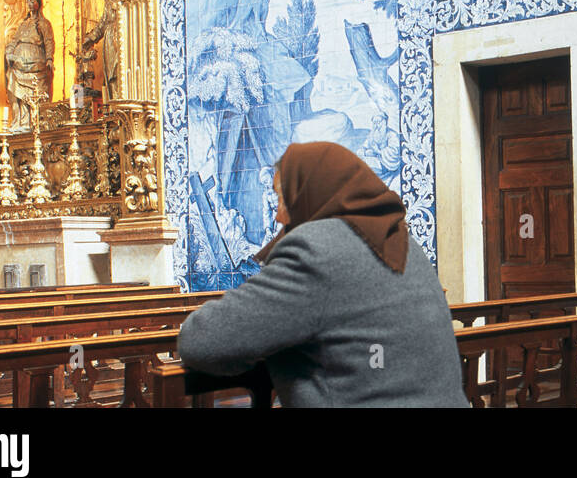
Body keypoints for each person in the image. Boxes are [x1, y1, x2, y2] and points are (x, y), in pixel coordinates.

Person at [177, 141, 469, 407]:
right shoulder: (400, 241)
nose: (278, 215)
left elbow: (202, 341)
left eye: (281, 197)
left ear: (311, 193)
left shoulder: (315, 250)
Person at [3, 0, 54, 130]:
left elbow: (49, 41)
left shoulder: (43, 23)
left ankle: (33, 121)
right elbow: (14, 40)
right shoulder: (23, 24)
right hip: (19, 62)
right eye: (28, 1)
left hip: (35, 60)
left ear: (38, 4)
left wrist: (49, 58)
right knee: (14, 82)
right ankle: (19, 121)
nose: (30, 4)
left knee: (33, 89)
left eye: (33, 1)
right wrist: (9, 52)